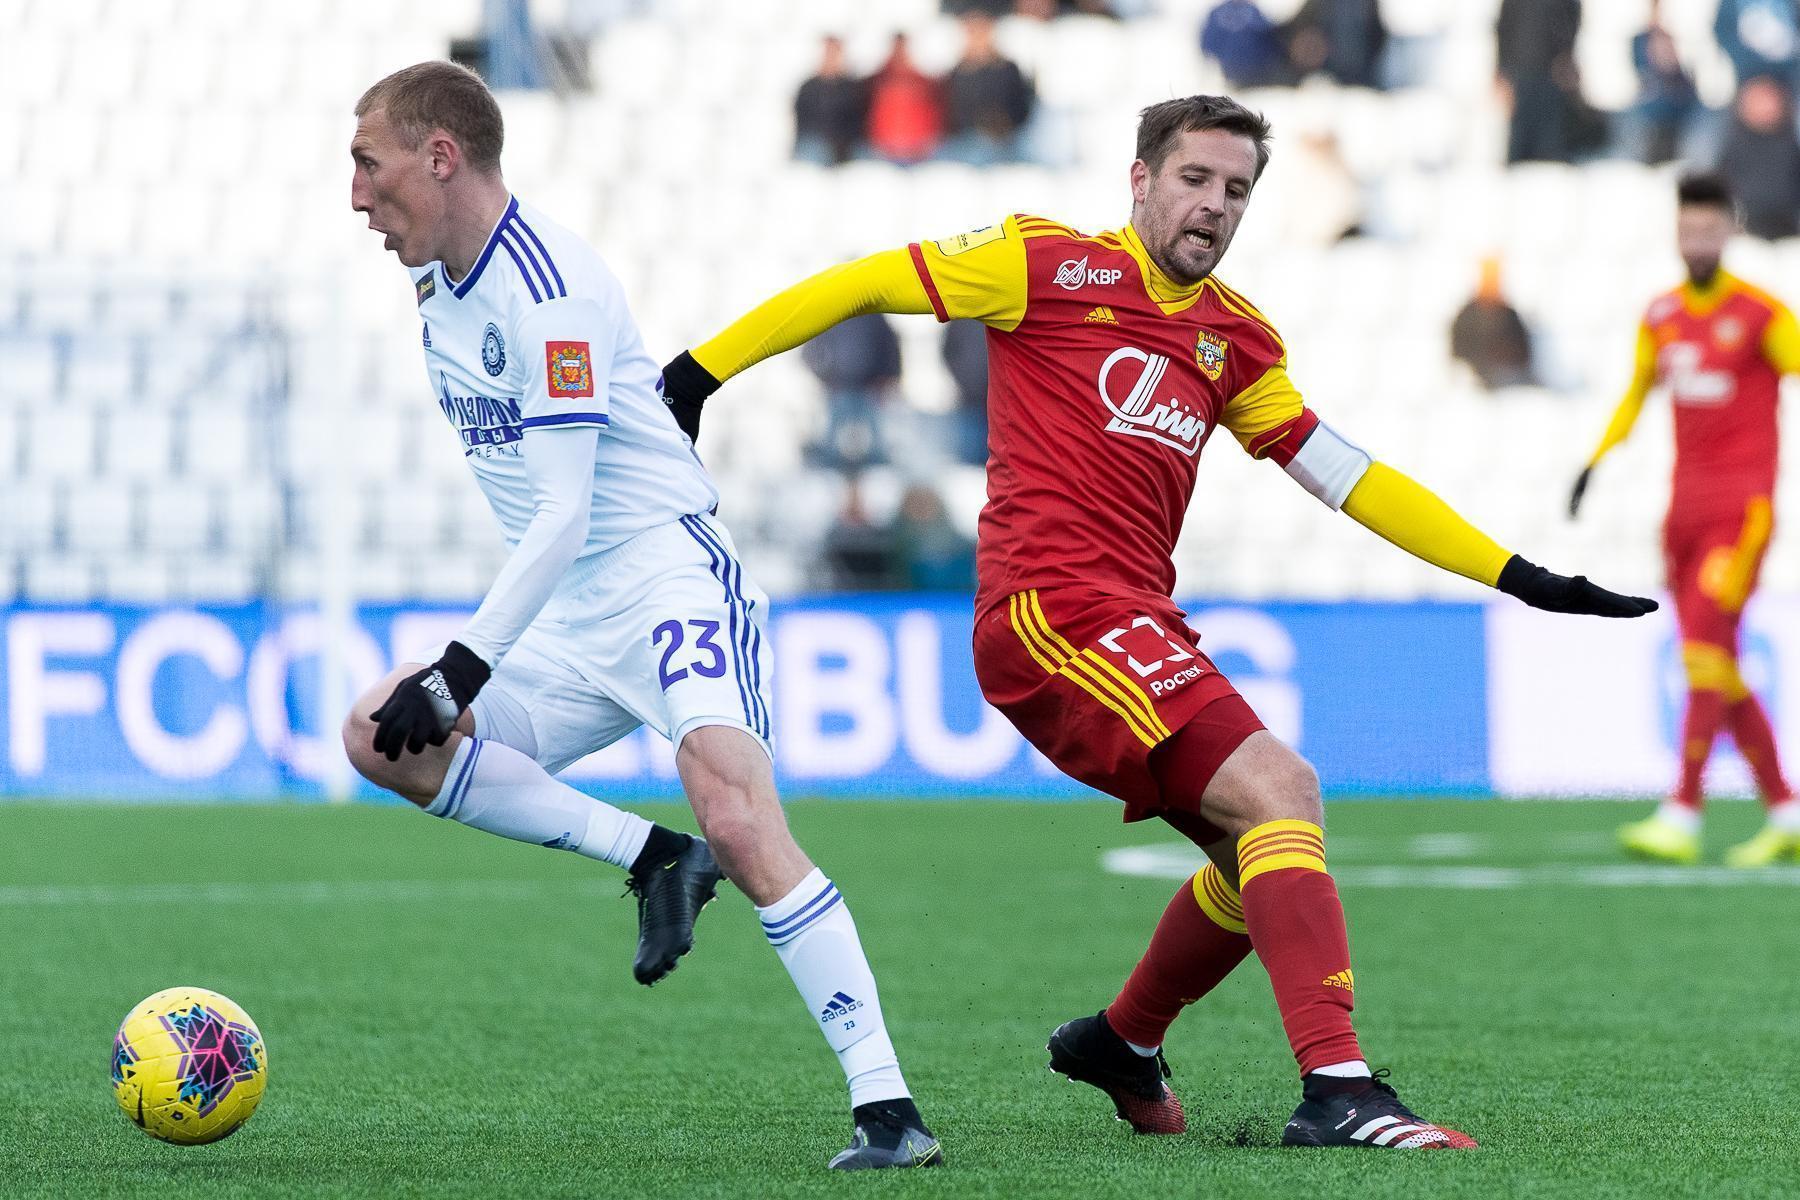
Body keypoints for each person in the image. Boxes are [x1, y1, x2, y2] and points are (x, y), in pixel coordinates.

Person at [660, 94, 1656, 1149]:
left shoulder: (1235, 339)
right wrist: (699, 370)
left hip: (1137, 616)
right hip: (1048, 610)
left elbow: (1351, 478)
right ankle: (1339, 1089)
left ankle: (1122, 1041)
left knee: (1255, 853)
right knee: (1283, 789)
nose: (1214, 206)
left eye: (1237, 191)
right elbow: (864, 281)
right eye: (1195, 180)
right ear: (1140, 180)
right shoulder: (1040, 265)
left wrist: (1517, 575)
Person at [344, 61, 939, 1170]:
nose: (356, 196)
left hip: (665, 576)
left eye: (368, 164)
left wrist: (464, 666)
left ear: (440, 156)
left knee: (738, 814)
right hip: (566, 612)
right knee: (381, 737)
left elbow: (567, 508)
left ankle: (888, 1109)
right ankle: (652, 855)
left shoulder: (549, 290)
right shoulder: (436, 289)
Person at [1572, 173, 1799, 869]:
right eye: (1687, 229)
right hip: (1683, 512)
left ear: (1730, 231)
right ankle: (1786, 811)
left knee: (1703, 653)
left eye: (1708, 229)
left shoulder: (1762, 314)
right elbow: (1636, 393)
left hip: (1742, 511)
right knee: (1714, 659)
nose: (1696, 241)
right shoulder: (1661, 314)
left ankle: (1683, 811)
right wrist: (1595, 461)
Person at [942, 12, 1037, 165]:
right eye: (973, 33)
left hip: (1006, 140)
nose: (978, 39)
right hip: (967, 140)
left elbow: (1021, 105)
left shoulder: (1007, 69)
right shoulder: (957, 73)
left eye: (982, 32)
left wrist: (1003, 123)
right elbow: (952, 113)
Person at [1716, 77, 1800, 241]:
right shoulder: (1731, 145)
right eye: (1758, 101)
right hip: (1748, 228)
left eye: (1769, 99)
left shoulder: (1793, 144)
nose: (1765, 107)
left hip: (1791, 226)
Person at [1450, 257, 1536, 390]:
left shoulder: (1510, 316)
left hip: (1507, 383)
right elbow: (1457, 355)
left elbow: (1523, 357)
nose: (1492, 284)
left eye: (1495, 279)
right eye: (1488, 278)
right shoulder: (1466, 316)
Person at [794, 35, 869, 167]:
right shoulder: (808, 87)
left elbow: (858, 122)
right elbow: (803, 124)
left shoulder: (852, 88)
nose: (831, 57)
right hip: (816, 144)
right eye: (828, 52)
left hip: (846, 146)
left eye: (835, 53)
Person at [1200, 0, 1294, 90]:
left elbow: (1207, 44)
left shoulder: (1217, 12)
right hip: (1248, 74)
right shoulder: (1250, 11)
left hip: (1239, 74)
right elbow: (1269, 36)